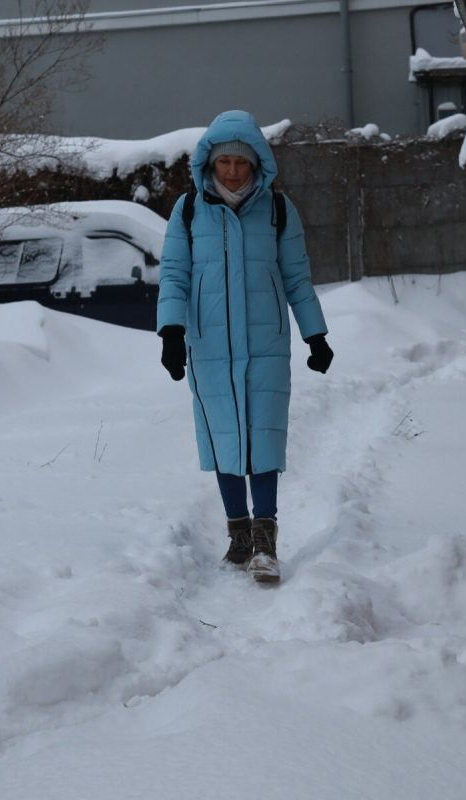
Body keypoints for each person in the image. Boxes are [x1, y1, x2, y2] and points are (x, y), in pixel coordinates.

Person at [156, 110, 333, 581]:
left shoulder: (277, 210)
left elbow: (297, 276)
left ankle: (265, 542)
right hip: (209, 341)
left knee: (263, 436)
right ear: (208, 164)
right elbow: (173, 273)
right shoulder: (189, 210)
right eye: (223, 161)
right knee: (225, 435)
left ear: (257, 163)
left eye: (241, 161)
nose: (232, 170)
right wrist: (171, 332)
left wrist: (316, 335)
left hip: (266, 342)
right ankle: (238, 537)